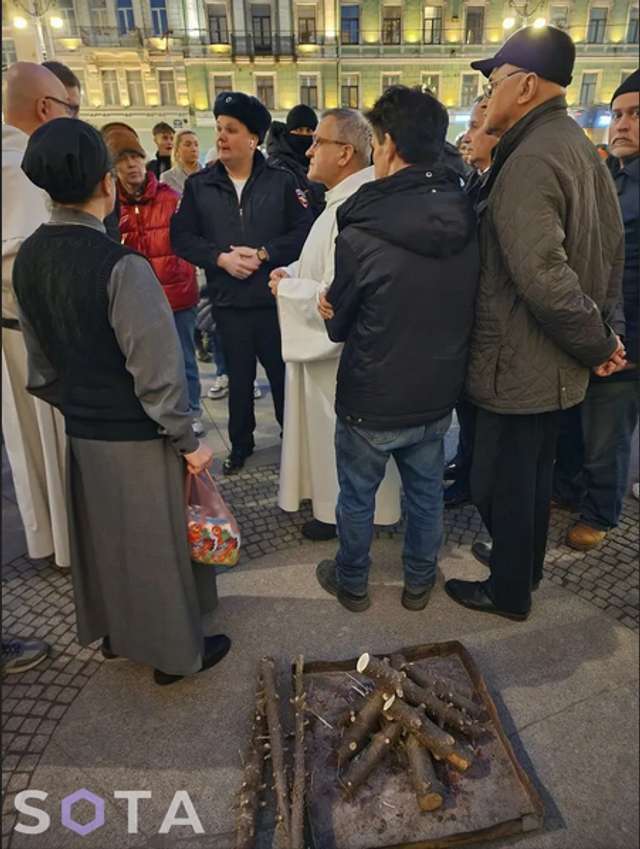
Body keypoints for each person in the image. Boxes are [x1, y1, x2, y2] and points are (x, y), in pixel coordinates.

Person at [13, 117, 230, 686]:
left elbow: (40, 364)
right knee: (154, 545)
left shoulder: (30, 257)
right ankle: (173, 654)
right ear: (107, 184)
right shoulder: (122, 266)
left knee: (106, 543)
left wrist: (77, 405)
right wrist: (187, 440)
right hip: (138, 432)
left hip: (83, 431)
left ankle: (115, 634)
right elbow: (157, 376)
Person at [444, 26, 626, 622]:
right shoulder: (572, 143)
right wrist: (603, 335)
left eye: (493, 81)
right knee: (531, 476)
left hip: (517, 363)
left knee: (502, 483)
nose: (488, 94)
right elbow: (607, 253)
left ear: (525, 86)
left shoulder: (530, 157)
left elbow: (544, 274)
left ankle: (508, 591)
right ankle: (522, 569)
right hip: (546, 362)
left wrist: (599, 342)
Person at [315, 86, 480, 612]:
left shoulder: (361, 225)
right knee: (427, 495)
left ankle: (353, 583)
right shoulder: (469, 214)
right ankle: (417, 584)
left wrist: (329, 309)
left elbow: (339, 324)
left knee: (358, 497)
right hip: (437, 389)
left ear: (385, 144)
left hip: (372, 395)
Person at [270, 108, 401, 542]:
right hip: (332, 360)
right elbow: (324, 270)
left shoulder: (354, 208)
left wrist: (287, 291)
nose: (308, 150)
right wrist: (291, 274)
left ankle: (342, 516)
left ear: (345, 153)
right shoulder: (340, 203)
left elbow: (340, 292)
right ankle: (336, 509)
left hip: (339, 361)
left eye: (318, 142)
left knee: (337, 441)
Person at [171, 91, 314, 474]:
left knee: (285, 382)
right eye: (218, 128)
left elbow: (304, 232)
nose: (221, 137)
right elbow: (181, 237)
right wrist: (220, 258)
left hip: (274, 304)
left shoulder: (282, 182)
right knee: (239, 382)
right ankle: (241, 445)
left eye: (231, 130)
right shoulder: (201, 185)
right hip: (229, 304)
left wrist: (265, 253)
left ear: (253, 138)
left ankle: (295, 445)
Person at [553, 68, 639, 550]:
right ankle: (567, 491)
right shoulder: (607, 177)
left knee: (607, 434)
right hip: (587, 329)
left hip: (626, 342)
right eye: (617, 114)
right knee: (572, 423)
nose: (622, 124)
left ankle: (601, 513)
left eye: (636, 114)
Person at [2, 63, 74, 578]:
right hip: (36, 338)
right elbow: (33, 265)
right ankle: (68, 542)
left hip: (19, 338)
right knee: (50, 451)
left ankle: (53, 536)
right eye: (71, 110)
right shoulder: (22, 168)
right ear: (46, 109)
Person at [105, 125, 204, 437]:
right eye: (124, 159)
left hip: (177, 295)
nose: (132, 164)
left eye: (136, 157)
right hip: (136, 301)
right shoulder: (110, 206)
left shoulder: (170, 198)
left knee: (184, 359)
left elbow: (190, 239)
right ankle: (155, 414)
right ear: (114, 167)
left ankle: (192, 412)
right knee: (146, 362)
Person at [444, 97, 499, 510]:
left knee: (483, 422)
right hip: (468, 318)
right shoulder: (475, 179)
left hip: (490, 324)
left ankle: (474, 482)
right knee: (468, 413)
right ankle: (464, 469)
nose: (468, 135)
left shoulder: (501, 183)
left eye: (478, 127)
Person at [267, 104, 325, 216]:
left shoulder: (321, 163)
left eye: (309, 131)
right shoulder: (276, 167)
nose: (304, 135)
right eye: (299, 130)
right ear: (289, 132)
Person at [161, 129, 202, 194]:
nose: (194, 149)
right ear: (177, 150)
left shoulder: (209, 174)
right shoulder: (167, 177)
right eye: (188, 145)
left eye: (196, 145)